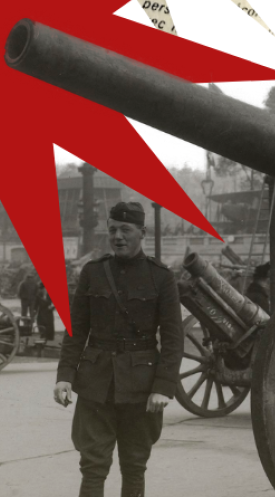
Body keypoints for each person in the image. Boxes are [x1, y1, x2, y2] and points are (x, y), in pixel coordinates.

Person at [54, 202, 184, 497]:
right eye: (112, 230)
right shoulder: (93, 272)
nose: (118, 237)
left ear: (142, 233)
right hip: (95, 385)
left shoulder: (161, 276)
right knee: (92, 465)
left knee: (134, 465)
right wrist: (65, 376)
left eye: (126, 230)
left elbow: (174, 338)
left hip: (141, 388)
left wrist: (163, 387)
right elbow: (76, 330)